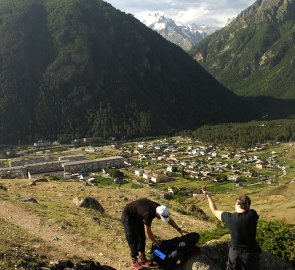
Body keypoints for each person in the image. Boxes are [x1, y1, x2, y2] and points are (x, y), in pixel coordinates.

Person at [202, 187, 260, 270]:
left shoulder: (230, 218)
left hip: (234, 254)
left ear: (238, 204)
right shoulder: (252, 214)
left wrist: (209, 196)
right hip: (250, 255)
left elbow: (214, 211)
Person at [121, 198, 188, 270]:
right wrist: (155, 241)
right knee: (132, 238)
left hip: (138, 215)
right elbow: (148, 232)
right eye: (161, 217)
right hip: (128, 215)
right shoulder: (148, 214)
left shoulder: (160, 208)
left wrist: (179, 229)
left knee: (142, 237)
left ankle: (142, 258)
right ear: (158, 213)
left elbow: (169, 220)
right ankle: (134, 261)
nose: (161, 218)